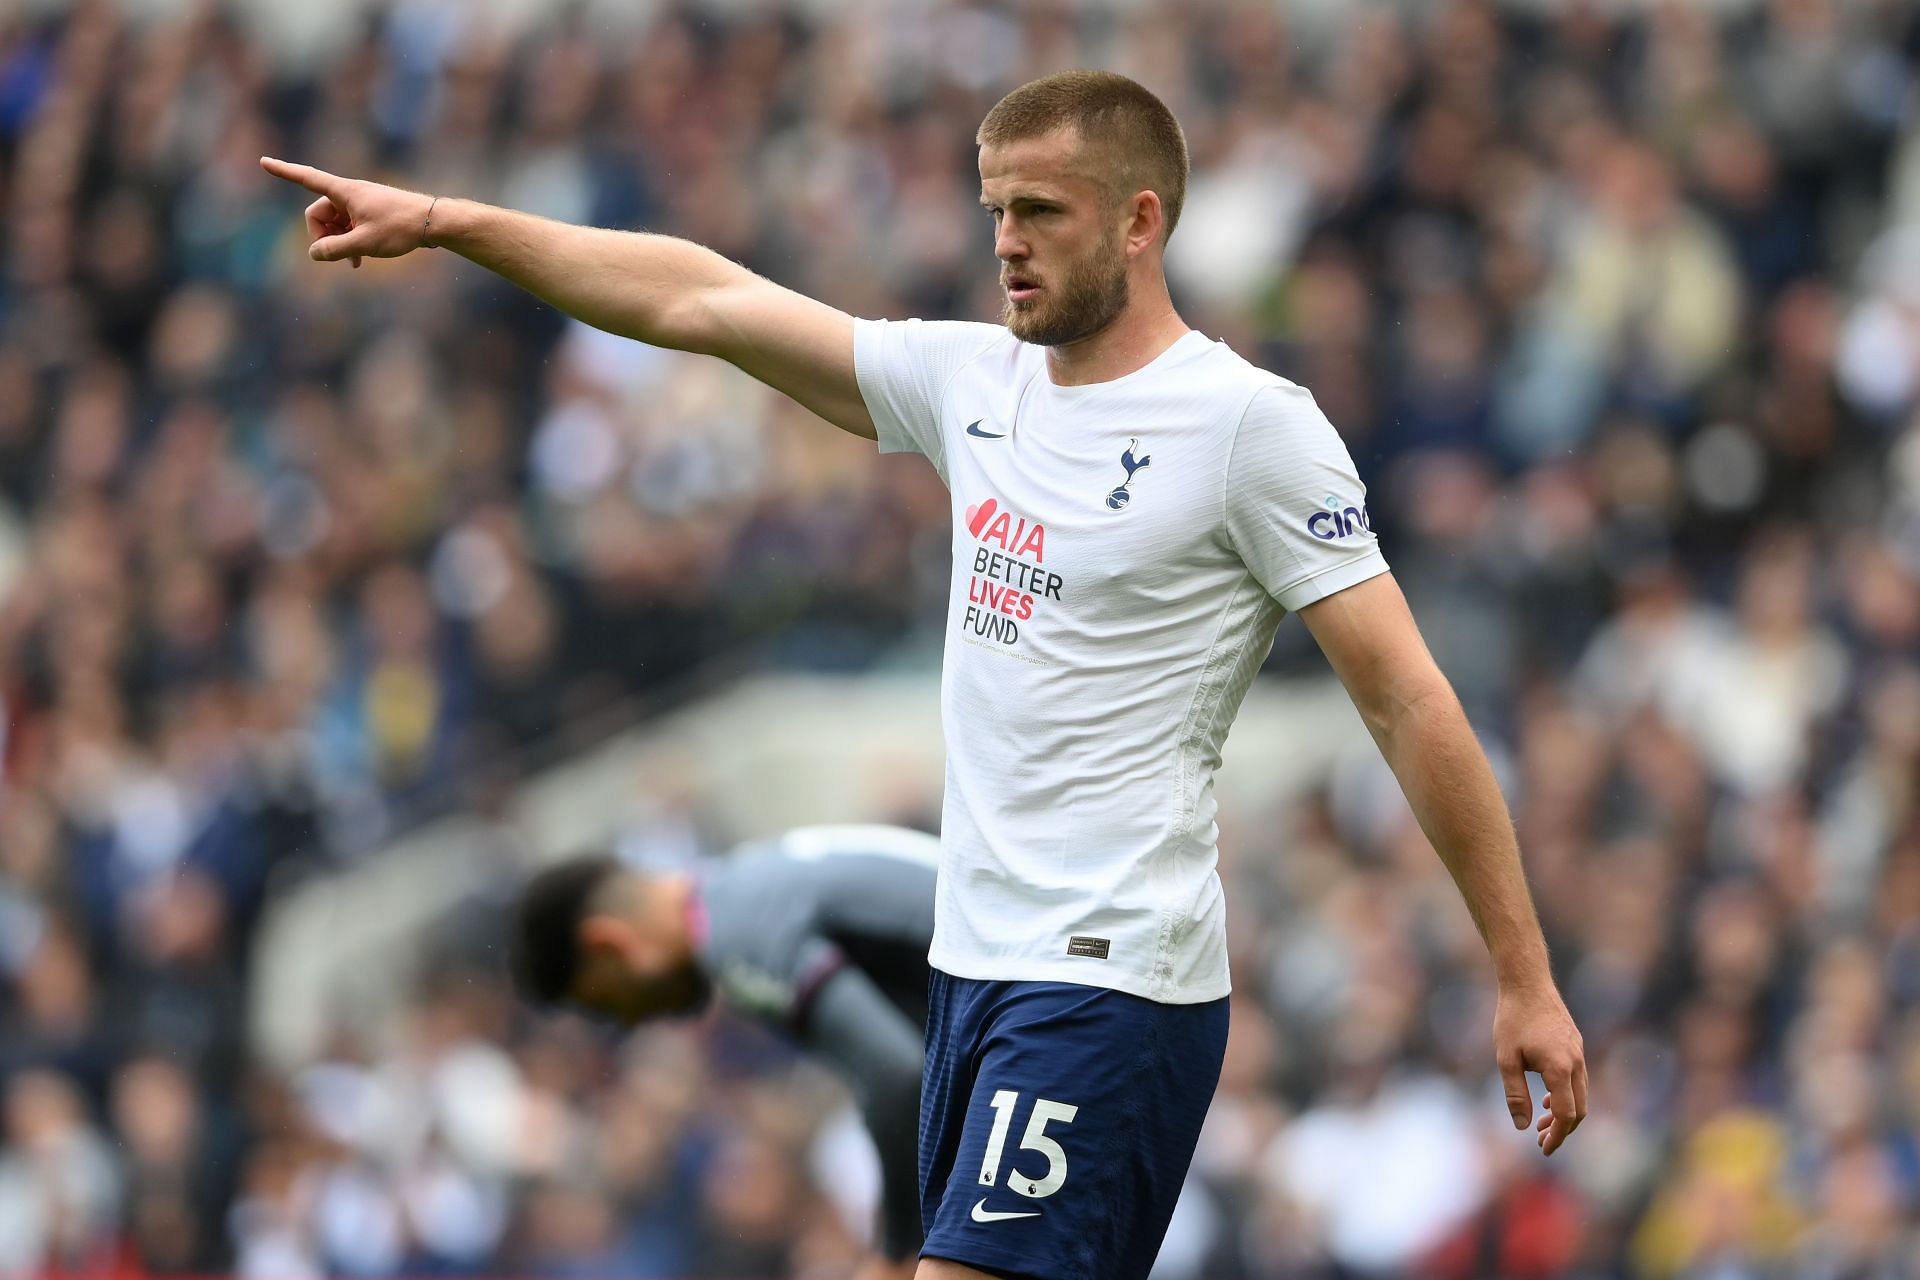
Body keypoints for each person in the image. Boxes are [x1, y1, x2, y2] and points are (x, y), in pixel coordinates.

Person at [265, 67, 1588, 1280]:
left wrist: (1520, 975)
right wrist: (447, 220)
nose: (1006, 239)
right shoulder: (972, 384)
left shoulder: (1251, 429)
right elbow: (701, 300)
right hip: (976, 970)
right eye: (994, 207)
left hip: (1108, 975)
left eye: (1042, 211)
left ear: (1140, 222)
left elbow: (1408, 699)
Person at [511, 823, 940, 1280]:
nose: (631, 1021)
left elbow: (897, 1076)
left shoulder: (736, 934)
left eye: (607, 1003)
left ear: (610, 945)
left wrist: (897, 1251)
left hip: (1019, 1008)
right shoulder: (741, 885)